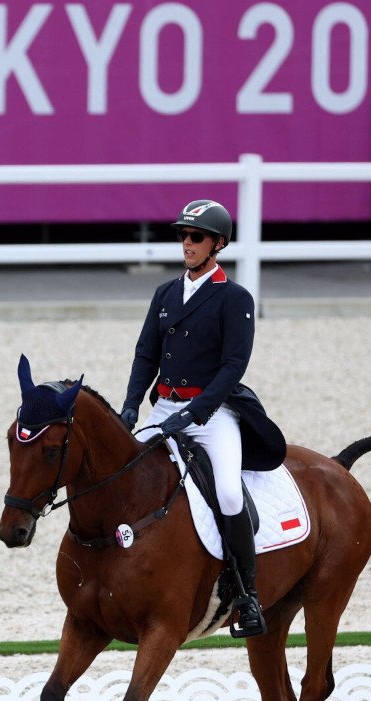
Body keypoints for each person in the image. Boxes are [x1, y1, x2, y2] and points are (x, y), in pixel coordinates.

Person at [118, 199, 286, 638]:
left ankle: (246, 596)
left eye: (196, 238)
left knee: (229, 493)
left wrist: (195, 411)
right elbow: (145, 355)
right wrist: (133, 404)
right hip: (166, 408)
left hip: (212, 414)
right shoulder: (166, 293)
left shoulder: (234, 298)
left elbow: (234, 365)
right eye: (183, 236)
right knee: (128, 477)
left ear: (218, 244)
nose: (187, 244)